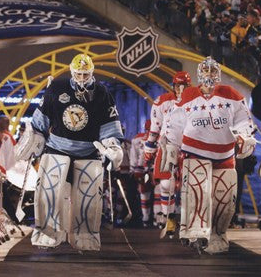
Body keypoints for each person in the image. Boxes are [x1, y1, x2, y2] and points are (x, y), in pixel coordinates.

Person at [22, 53, 124, 251]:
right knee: (49, 193)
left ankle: (85, 235)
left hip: (88, 151)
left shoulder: (102, 93)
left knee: (89, 198)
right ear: (72, 72)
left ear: (92, 73)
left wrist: (113, 146)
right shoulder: (56, 88)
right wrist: (35, 139)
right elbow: (41, 120)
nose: (82, 78)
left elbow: (109, 125)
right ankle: (47, 232)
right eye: (79, 74)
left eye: (86, 75)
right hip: (56, 149)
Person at [165, 56, 256, 254]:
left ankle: (218, 234)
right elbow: (176, 123)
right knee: (199, 192)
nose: (209, 76)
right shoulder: (189, 95)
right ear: (199, 75)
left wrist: (244, 136)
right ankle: (195, 231)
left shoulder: (231, 94)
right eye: (206, 72)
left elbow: (243, 120)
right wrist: (172, 146)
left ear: (218, 75)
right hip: (195, 151)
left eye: (213, 72)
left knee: (224, 198)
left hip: (224, 152)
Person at [144, 71, 192, 236]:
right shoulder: (163, 101)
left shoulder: (195, 101)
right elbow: (155, 125)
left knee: (190, 185)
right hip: (169, 145)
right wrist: (149, 147)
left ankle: (188, 220)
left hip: (190, 147)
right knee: (166, 184)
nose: (180, 89)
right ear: (173, 86)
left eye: (184, 85)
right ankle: (169, 217)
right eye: (178, 85)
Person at [130, 120, 152, 227]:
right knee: (157, 192)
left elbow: (135, 156)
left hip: (142, 168)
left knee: (144, 192)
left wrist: (133, 169)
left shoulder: (137, 138)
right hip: (152, 168)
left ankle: (146, 217)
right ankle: (157, 218)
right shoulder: (161, 136)